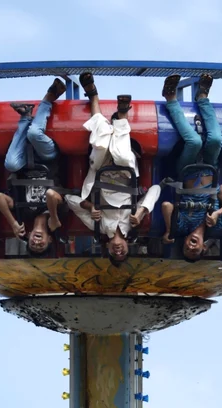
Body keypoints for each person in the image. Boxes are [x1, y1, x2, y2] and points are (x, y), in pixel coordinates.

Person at [65, 72, 161, 266]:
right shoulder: (134, 224)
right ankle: (122, 116)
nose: (118, 251)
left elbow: (70, 199)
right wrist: (142, 211)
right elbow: (155, 190)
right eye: (122, 254)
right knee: (123, 155)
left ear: (107, 249)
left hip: (101, 172)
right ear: (128, 247)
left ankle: (93, 96)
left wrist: (91, 207)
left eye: (114, 254)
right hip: (126, 173)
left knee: (99, 143)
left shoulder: (97, 226)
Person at [158, 74, 222, 261]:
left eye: (187, 250)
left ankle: (171, 99)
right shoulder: (216, 225)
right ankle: (203, 98)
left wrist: (170, 230)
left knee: (194, 142)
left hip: (187, 171)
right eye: (195, 251)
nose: (192, 248)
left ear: (184, 243)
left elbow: (166, 206)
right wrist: (218, 212)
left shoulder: (182, 227)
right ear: (203, 248)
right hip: (209, 170)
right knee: (215, 140)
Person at [0, 78, 68, 256]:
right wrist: (53, 219)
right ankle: (48, 99)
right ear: (49, 239)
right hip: (48, 159)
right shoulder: (57, 216)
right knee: (35, 134)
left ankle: (26, 116)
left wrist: (12, 222)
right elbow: (52, 195)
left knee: (10, 164)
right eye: (40, 245)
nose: (36, 241)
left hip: (25, 165)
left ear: (27, 235)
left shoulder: (23, 214)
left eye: (32, 244)